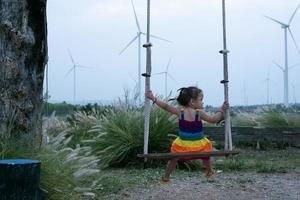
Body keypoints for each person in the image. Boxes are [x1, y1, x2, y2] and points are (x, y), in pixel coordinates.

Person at [146, 86, 229, 182]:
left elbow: (166, 106)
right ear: (192, 102)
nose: (203, 102)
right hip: (199, 144)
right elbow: (213, 120)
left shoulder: (180, 112)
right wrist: (222, 110)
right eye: (201, 99)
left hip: (183, 145)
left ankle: (166, 176)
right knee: (205, 155)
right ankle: (209, 171)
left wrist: (153, 98)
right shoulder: (199, 113)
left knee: (173, 158)